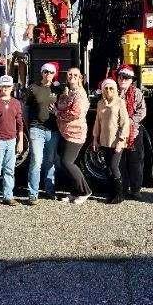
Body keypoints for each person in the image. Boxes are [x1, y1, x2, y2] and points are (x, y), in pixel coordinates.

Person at [24, 62, 62, 204]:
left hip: (53, 130)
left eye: (51, 72)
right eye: (45, 71)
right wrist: (28, 127)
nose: (48, 74)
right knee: (36, 161)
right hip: (37, 129)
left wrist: (57, 111)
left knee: (50, 161)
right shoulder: (33, 88)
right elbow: (25, 109)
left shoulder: (58, 89)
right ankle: (33, 194)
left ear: (54, 74)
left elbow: (65, 104)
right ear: (41, 73)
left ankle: (49, 190)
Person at [0, 74, 24, 209]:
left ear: (12, 87)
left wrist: (20, 141)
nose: (5, 88)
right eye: (3, 86)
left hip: (12, 141)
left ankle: (8, 196)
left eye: (8, 86)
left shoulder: (16, 103)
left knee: (9, 170)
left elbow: (20, 123)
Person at [55, 67, 91, 204]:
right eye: (69, 74)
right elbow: (62, 105)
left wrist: (58, 113)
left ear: (80, 78)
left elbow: (75, 113)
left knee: (67, 162)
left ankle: (85, 191)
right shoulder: (69, 93)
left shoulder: (80, 94)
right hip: (66, 132)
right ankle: (74, 192)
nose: (72, 76)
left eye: (75, 74)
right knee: (67, 164)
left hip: (75, 133)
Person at [92, 78, 129, 204]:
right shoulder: (100, 103)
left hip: (116, 141)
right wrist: (95, 139)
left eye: (111, 88)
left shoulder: (120, 102)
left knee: (114, 166)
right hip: (104, 140)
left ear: (115, 89)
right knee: (107, 167)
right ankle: (111, 194)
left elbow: (125, 123)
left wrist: (121, 140)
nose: (108, 90)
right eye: (106, 88)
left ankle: (120, 194)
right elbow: (97, 122)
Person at [116, 65, 147, 200]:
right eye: (121, 76)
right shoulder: (112, 91)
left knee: (135, 161)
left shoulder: (137, 93)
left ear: (131, 80)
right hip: (116, 131)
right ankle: (121, 188)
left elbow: (142, 110)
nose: (123, 79)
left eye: (126, 77)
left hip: (133, 131)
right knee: (119, 161)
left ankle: (135, 189)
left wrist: (129, 121)